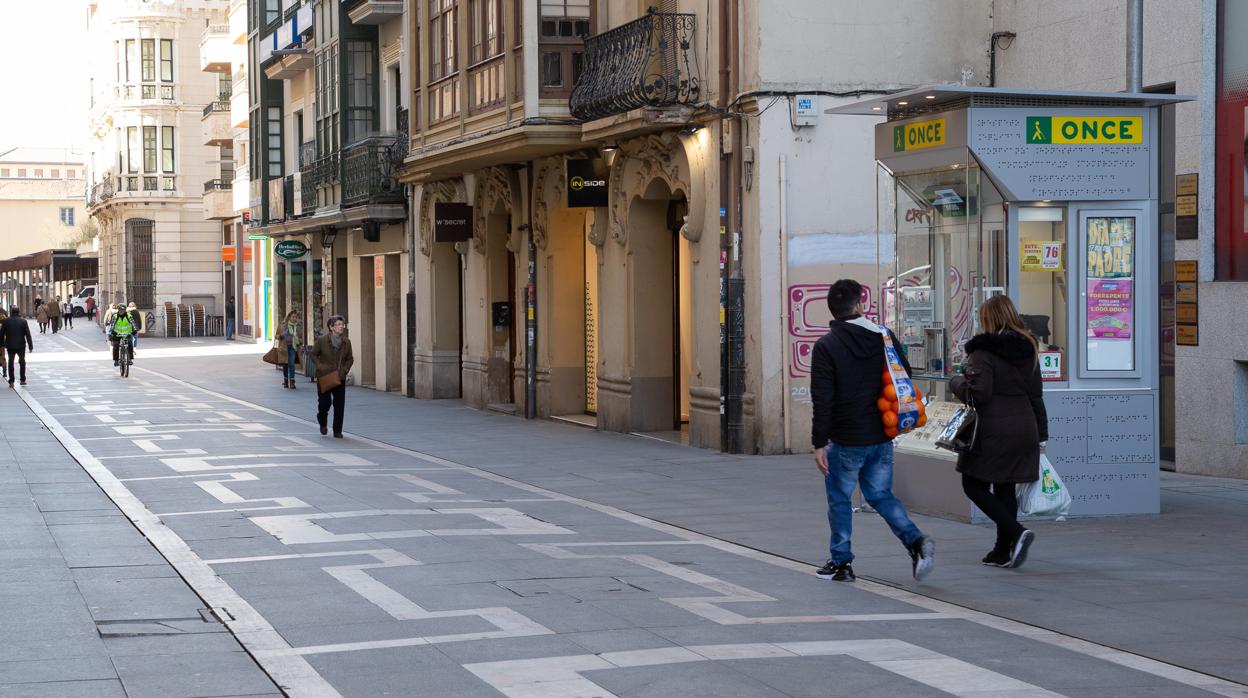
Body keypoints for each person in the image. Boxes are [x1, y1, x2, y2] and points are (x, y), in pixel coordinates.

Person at [811, 279, 934, 583]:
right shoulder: (884, 336)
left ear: (834, 310)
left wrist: (818, 442)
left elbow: (822, 398)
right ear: (859, 305)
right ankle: (915, 541)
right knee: (880, 494)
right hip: (881, 432)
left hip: (846, 437)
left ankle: (841, 562)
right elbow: (903, 373)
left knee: (840, 498)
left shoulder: (827, 346)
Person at [950, 295, 1048, 570]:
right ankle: (1002, 550)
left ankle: (1016, 532)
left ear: (988, 319)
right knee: (1005, 485)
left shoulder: (983, 353)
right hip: (1024, 425)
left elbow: (978, 394)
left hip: (994, 429)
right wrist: (1042, 434)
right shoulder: (1029, 347)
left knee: (973, 484)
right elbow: (1036, 395)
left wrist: (956, 381)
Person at [311, 315, 353, 438]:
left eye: (342, 324)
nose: (341, 327)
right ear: (331, 327)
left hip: (340, 377)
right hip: (325, 376)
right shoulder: (322, 340)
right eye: (338, 324)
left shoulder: (346, 342)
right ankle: (322, 421)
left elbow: (350, 359)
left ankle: (337, 430)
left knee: (339, 404)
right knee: (325, 403)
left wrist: (344, 371)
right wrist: (320, 367)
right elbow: (313, 355)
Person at [0, 306, 33, 387]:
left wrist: (2, 344)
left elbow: (1, 334)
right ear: (18, 312)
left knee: (11, 362)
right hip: (21, 345)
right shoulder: (23, 321)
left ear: (11, 312)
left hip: (10, 345)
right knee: (22, 362)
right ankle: (22, 380)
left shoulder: (6, 321)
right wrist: (30, 346)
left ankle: (11, 381)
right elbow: (28, 334)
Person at [279, 310, 301, 389]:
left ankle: (292, 382)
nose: (295, 319)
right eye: (293, 317)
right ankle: (285, 381)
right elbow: (277, 336)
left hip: (293, 347)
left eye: (296, 317)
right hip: (284, 347)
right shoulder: (284, 325)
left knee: (291, 364)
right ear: (289, 317)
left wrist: (300, 343)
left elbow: (299, 336)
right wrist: (282, 335)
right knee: (285, 364)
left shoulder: (297, 326)